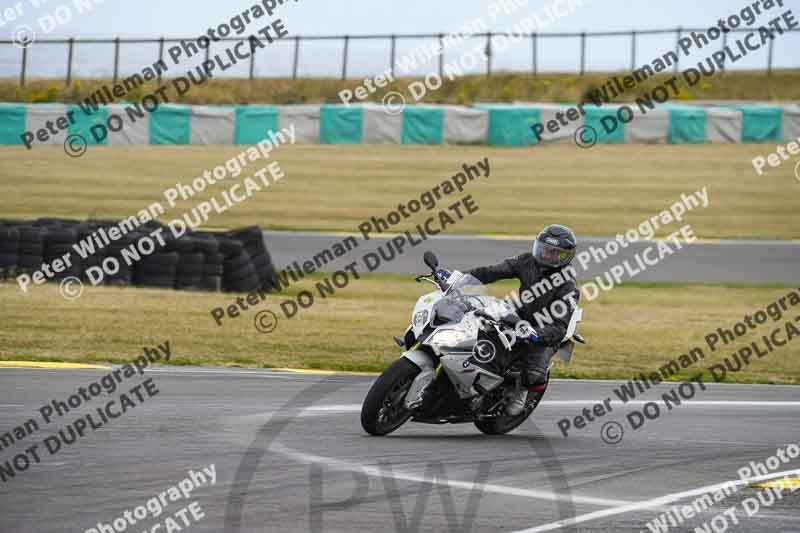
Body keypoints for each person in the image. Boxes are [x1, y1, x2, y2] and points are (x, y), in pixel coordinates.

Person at [466, 224, 579, 416]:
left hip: (544, 332)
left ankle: (522, 391)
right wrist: (463, 277)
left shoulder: (567, 286)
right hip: (520, 316)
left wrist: (535, 333)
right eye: (544, 250)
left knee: (533, 374)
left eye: (555, 253)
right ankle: (476, 379)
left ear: (565, 257)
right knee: (483, 326)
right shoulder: (527, 261)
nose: (547, 256)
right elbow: (493, 271)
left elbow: (559, 327)